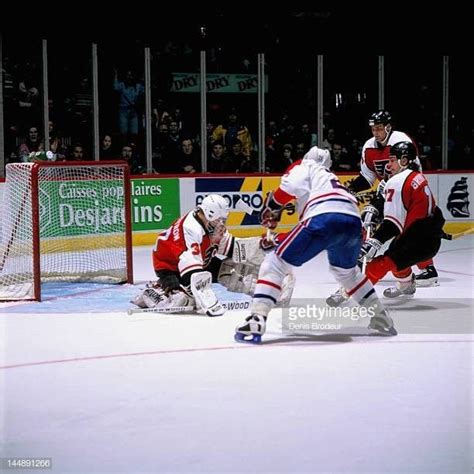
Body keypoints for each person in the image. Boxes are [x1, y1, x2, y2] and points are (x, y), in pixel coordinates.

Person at [234, 146, 397, 344]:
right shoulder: (330, 180)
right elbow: (313, 225)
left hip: (323, 218)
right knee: (348, 274)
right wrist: (278, 235)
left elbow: (294, 195)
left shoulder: (306, 166)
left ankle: (256, 319)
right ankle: (380, 316)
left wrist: (272, 207)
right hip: (353, 221)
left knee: (274, 263)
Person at [349, 110, 439, 286]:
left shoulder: (401, 141)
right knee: (368, 218)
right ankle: (363, 261)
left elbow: (410, 171)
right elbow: (367, 178)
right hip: (389, 189)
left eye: (379, 128)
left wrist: (381, 196)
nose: (376, 132)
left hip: (405, 191)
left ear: (388, 127)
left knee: (407, 228)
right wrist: (350, 189)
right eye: (373, 129)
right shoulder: (369, 146)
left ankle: (427, 269)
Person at [361, 142, 445, 297]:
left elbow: (393, 224)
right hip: (424, 236)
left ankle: (351, 294)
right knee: (396, 254)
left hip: (418, 240)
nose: (388, 165)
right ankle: (406, 286)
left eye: (392, 160)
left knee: (384, 262)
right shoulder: (416, 176)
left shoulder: (397, 182)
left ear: (404, 161)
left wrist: (374, 241)